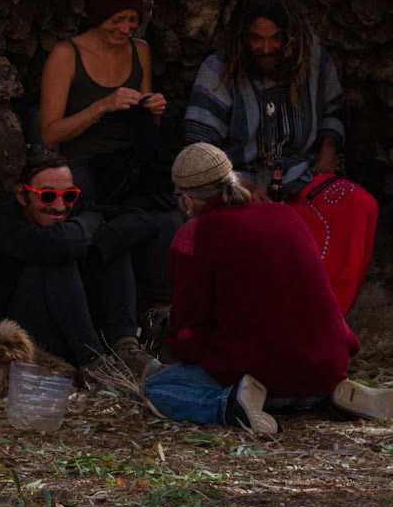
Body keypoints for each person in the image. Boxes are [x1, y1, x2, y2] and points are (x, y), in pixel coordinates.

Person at [144, 143, 393, 437]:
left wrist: (173, 352)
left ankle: (229, 404)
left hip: (261, 379)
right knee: (293, 367)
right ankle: (332, 395)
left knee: (155, 388)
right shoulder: (284, 215)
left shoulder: (193, 235)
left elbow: (190, 339)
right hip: (328, 367)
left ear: (186, 200)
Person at [184, 0, 378, 314]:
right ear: (241, 36)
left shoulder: (313, 55)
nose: (267, 48)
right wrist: (240, 184)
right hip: (242, 183)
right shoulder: (218, 69)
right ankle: (279, 327)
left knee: (361, 206)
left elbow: (334, 109)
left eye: (276, 38)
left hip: (302, 175)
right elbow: (198, 149)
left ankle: (328, 319)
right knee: (268, 235)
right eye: (256, 38)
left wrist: (328, 151)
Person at [39, 0, 180, 313]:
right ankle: (117, 320)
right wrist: (101, 106)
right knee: (112, 224)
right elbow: (49, 133)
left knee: (170, 220)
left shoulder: (140, 51)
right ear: (98, 14)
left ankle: (159, 315)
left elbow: (147, 131)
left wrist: (155, 112)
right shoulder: (66, 55)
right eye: (117, 19)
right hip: (84, 165)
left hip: (130, 164)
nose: (125, 28)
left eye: (132, 20)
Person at [0, 148, 151, 387]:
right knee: (55, 257)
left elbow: (143, 221)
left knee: (114, 242)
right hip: (18, 339)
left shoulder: (71, 208)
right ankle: (95, 364)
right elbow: (61, 245)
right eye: (47, 196)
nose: (59, 206)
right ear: (22, 196)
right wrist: (93, 220)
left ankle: (126, 347)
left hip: (70, 322)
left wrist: (97, 241)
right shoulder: (1, 222)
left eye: (69, 195)